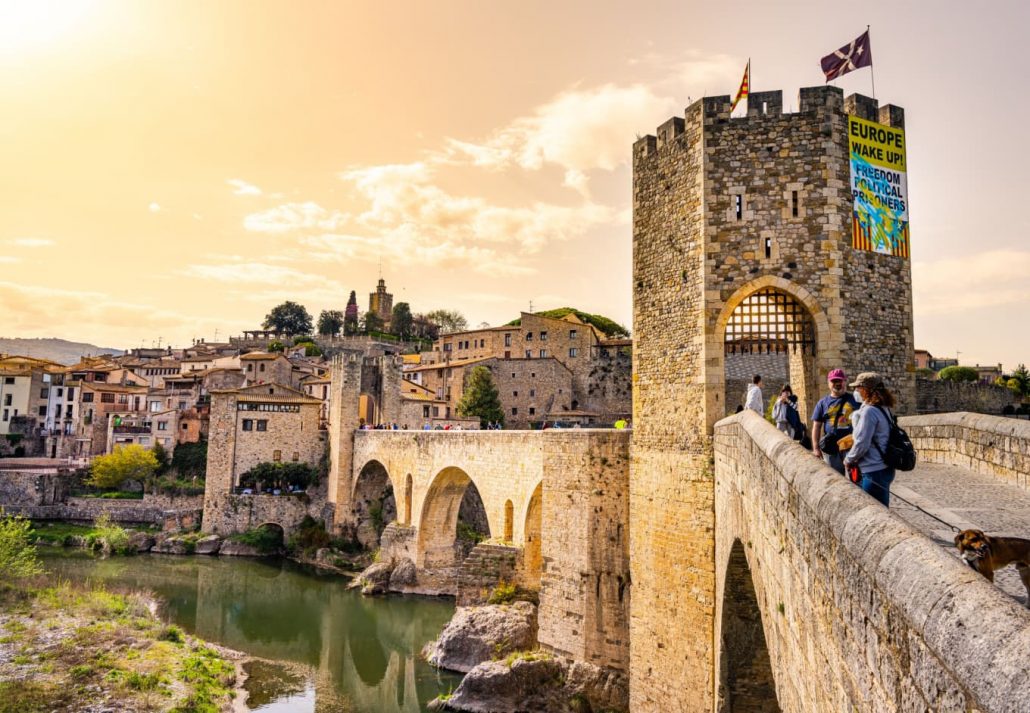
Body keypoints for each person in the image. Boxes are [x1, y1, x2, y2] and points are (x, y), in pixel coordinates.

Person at [843, 372, 897, 506]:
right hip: (885, 467)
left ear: (866, 389)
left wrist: (849, 459)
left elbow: (862, 442)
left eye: (858, 387)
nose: (856, 391)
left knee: (875, 510)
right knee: (881, 508)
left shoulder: (869, 411)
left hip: (873, 469)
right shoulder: (884, 409)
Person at [811, 368, 859, 475]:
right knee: (836, 478)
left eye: (840, 381)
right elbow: (816, 426)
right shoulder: (822, 403)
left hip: (851, 446)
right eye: (834, 381)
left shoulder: (855, 400)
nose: (837, 384)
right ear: (828, 383)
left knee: (856, 482)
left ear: (845, 382)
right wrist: (815, 448)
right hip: (832, 447)